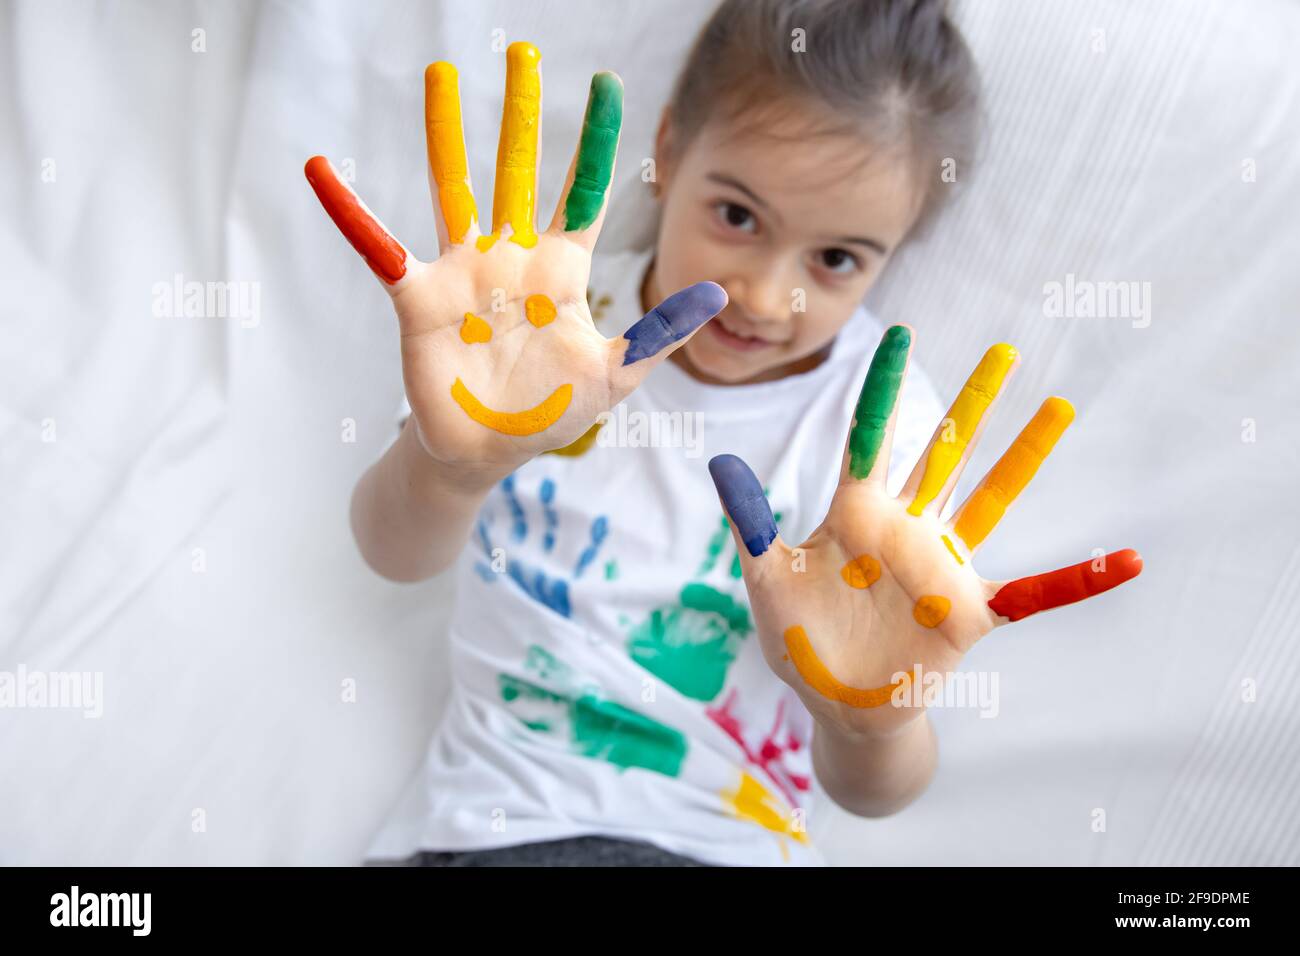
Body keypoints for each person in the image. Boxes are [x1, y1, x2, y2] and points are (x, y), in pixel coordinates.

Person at [305, 0, 1141, 867]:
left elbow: (873, 797)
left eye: (837, 259)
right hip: (490, 826)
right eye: (738, 216)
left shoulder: (886, 439)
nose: (767, 293)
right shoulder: (533, 328)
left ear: (893, 256)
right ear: (667, 152)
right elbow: (391, 554)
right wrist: (451, 465)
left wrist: (872, 719)